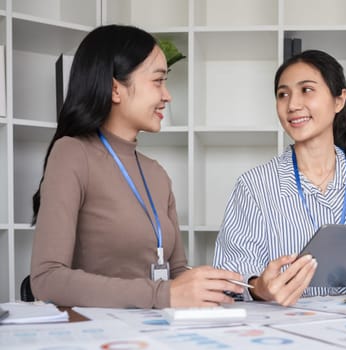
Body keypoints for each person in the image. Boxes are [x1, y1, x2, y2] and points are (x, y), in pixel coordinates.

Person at [30, 24, 243, 309]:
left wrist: (244, 285)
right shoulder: (72, 153)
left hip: (158, 331)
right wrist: (161, 295)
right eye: (158, 81)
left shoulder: (156, 173)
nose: (167, 95)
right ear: (114, 88)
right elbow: (47, 280)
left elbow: (176, 273)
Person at [213, 49, 346, 306]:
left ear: (339, 100)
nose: (292, 105)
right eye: (283, 94)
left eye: (306, 90)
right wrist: (259, 287)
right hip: (284, 329)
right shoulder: (254, 185)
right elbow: (230, 278)